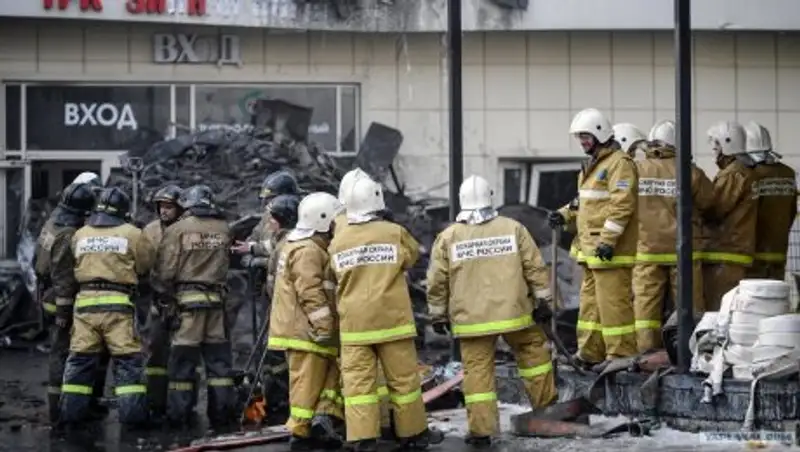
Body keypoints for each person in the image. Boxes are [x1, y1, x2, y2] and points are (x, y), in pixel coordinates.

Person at [427, 175, 556, 448]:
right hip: (515, 314)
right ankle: (548, 413)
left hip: (472, 321)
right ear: (490, 197)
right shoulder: (513, 228)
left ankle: (482, 432)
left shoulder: (448, 237)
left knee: (477, 374)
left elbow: (437, 280)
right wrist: (544, 300)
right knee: (535, 357)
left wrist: (437, 314)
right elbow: (535, 267)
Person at [330, 176, 444, 451]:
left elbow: (332, 273)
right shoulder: (394, 232)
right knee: (403, 381)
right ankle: (413, 435)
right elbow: (412, 256)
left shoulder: (338, 239)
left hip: (355, 326)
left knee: (358, 386)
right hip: (392, 322)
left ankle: (362, 438)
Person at [548, 108, 638, 368]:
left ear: (600, 133)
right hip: (590, 252)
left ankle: (621, 355)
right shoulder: (593, 165)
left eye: (585, 136)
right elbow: (584, 204)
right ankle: (590, 353)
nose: (582, 142)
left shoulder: (619, 164)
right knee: (590, 308)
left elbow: (622, 205)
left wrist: (608, 241)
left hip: (607, 251)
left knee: (613, 306)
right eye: (579, 138)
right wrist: (563, 215)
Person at [59, 187, 155, 428]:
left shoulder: (80, 234)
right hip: (118, 307)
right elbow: (145, 267)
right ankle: (133, 421)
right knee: (128, 364)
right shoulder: (133, 234)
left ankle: (71, 419)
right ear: (123, 212)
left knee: (79, 363)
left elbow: (71, 267)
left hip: (84, 308)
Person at [267, 192, 345, 451]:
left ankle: (321, 420)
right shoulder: (307, 251)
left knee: (329, 376)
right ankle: (299, 432)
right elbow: (310, 292)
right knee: (307, 382)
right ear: (323, 221)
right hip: (305, 331)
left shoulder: (299, 244)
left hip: (307, 328)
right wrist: (324, 326)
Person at [154, 185, 235, 428]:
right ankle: (221, 417)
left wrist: (164, 300)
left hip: (187, 310)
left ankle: (180, 418)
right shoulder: (224, 228)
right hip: (216, 309)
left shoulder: (178, 229)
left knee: (182, 367)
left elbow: (166, 271)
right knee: (219, 368)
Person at [632, 120, 715, 352]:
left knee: (646, 309)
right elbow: (711, 203)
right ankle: (689, 354)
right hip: (684, 252)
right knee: (689, 307)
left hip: (647, 250)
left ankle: (646, 353)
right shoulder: (691, 172)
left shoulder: (637, 169)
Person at [33, 183, 96, 425]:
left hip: (47, 293)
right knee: (65, 352)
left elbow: (37, 261)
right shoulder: (67, 233)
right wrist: (64, 310)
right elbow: (64, 276)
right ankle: (60, 412)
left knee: (60, 351)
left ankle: (60, 408)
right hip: (61, 300)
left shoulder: (51, 224)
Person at [230, 171, 301, 331]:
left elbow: (282, 250)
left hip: (287, 286)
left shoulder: (296, 216)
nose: (268, 204)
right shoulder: (268, 216)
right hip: (268, 286)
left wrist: (256, 255)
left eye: (271, 199)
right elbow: (253, 238)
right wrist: (251, 251)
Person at [702, 121, 758, 310]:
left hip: (725, 253)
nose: (713, 149)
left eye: (716, 144)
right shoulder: (744, 171)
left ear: (728, 144)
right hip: (735, 252)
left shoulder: (732, 174)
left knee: (718, 309)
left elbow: (715, 208)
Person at [140, 184, 184, 420]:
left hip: (183, 301)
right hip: (158, 301)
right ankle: (156, 402)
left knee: (182, 354)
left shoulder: (188, 229)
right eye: (161, 207)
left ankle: (181, 408)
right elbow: (143, 264)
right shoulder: (150, 231)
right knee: (155, 352)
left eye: (169, 207)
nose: (164, 211)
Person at [744, 122, 797, 281]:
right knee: (775, 298)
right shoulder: (788, 173)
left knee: (754, 298)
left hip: (752, 251)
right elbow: (791, 210)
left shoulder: (748, 174)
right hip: (779, 248)